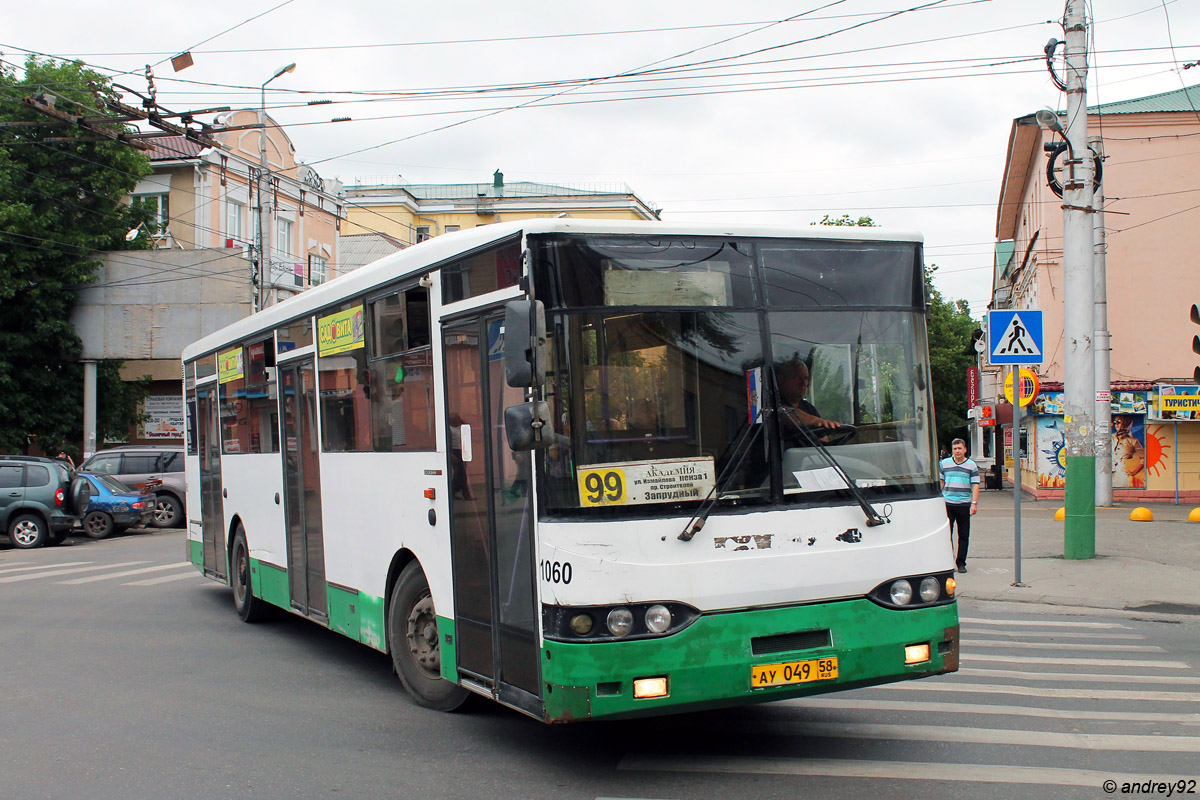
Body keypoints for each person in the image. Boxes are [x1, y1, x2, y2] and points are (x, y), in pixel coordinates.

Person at [940, 438, 980, 574]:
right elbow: (941, 483)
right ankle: (947, 562)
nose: (957, 451)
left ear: (965, 450)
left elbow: (975, 485)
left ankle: (961, 562)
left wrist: (974, 504)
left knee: (963, 535)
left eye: (960, 448)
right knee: (946, 535)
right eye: (955, 449)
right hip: (948, 504)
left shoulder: (971, 465)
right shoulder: (944, 464)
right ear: (952, 450)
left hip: (964, 504)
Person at [775, 356, 840, 432]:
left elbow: (823, 439)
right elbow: (785, 413)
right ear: (780, 380)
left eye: (806, 378)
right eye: (797, 378)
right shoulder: (772, 404)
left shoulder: (810, 409)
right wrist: (816, 421)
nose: (803, 383)